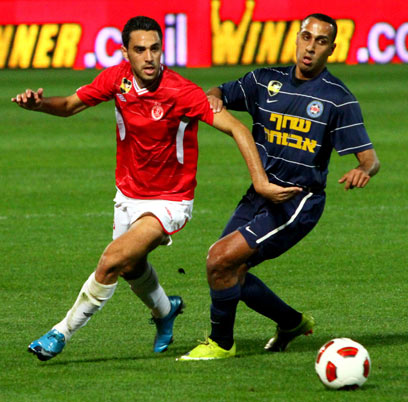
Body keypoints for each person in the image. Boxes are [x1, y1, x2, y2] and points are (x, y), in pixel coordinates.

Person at [12, 16, 280, 361]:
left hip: (170, 200)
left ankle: (60, 333)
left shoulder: (182, 92)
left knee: (111, 261)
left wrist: (260, 181)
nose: (149, 57)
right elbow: (68, 106)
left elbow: (238, 129)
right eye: (140, 50)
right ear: (126, 53)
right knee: (130, 267)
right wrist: (39, 105)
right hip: (128, 193)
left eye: (155, 48)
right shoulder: (116, 79)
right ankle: (165, 310)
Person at [179, 13, 380, 360]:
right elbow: (220, 91)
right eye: (306, 37)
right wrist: (213, 97)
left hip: (296, 202)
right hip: (259, 194)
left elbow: (370, 158)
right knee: (229, 269)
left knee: (219, 259)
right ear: (297, 39)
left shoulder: (337, 99)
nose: (311, 47)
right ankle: (291, 322)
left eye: (321, 41)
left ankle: (221, 344)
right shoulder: (264, 80)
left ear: (332, 49)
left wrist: (364, 170)